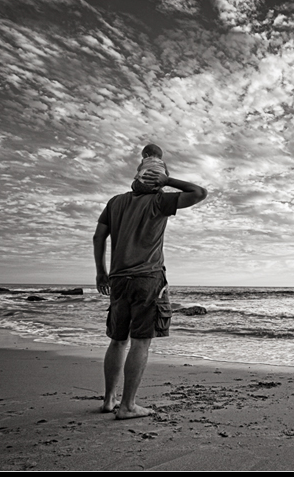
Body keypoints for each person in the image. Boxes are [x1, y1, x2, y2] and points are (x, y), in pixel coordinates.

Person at [93, 153, 207, 419]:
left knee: (117, 340)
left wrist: (101, 272)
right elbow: (199, 193)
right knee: (140, 342)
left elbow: (99, 236)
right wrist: (169, 181)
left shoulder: (115, 202)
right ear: (159, 180)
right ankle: (127, 406)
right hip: (147, 278)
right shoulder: (159, 201)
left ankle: (109, 400)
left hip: (118, 278)